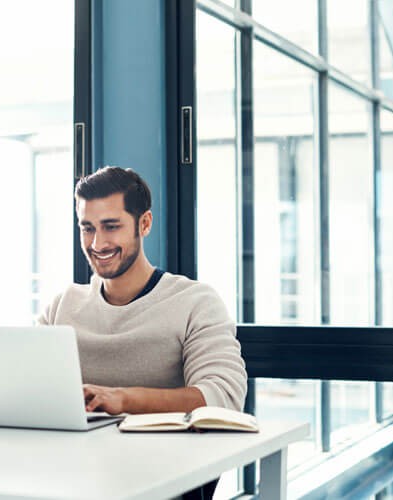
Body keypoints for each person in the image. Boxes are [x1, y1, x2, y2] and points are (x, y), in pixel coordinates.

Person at [38, 166, 247, 500]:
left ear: (144, 223)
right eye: (87, 228)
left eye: (111, 227)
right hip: (69, 477)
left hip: (158, 482)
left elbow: (221, 399)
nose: (97, 243)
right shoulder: (63, 305)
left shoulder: (195, 301)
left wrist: (121, 399)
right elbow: (28, 388)